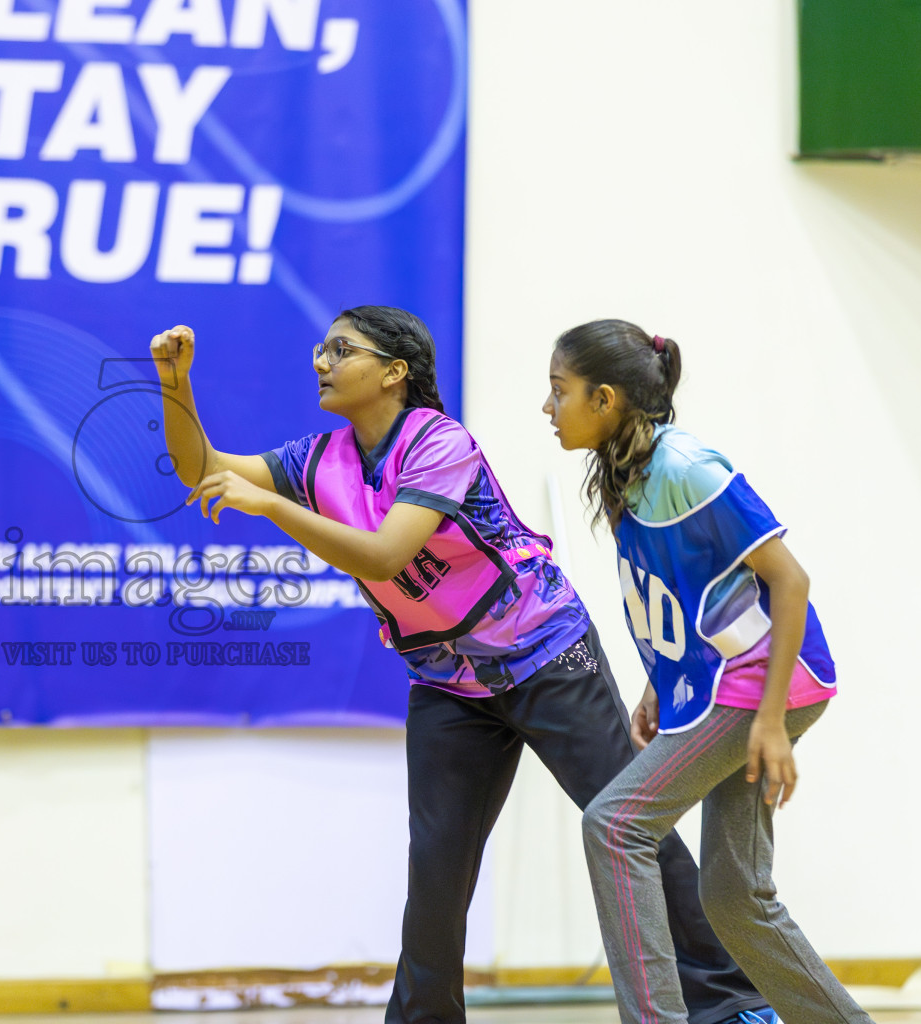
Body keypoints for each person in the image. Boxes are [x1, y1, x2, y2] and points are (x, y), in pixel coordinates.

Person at [152, 307, 772, 1024]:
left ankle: (733, 1005)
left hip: (544, 653)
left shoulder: (440, 443)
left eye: (341, 349)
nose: (321, 360)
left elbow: (386, 553)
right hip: (450, 681)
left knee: (630, 828)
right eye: (321, 347)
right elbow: (198, 466)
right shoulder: (319, 460)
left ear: (394, 372)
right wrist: (176, 385)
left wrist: (272, 509)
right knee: (436, 872)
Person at [544, 318, 870, 1024]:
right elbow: (688, 597)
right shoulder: (628, 471)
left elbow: (790, 581)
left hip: (760, 685)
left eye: (558, 390)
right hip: (722, 686)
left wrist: (773, 721)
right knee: (733, 897)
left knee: (615, 823)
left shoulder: (690, 466)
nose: (548, 408)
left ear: (604, 399)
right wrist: (656, 685)